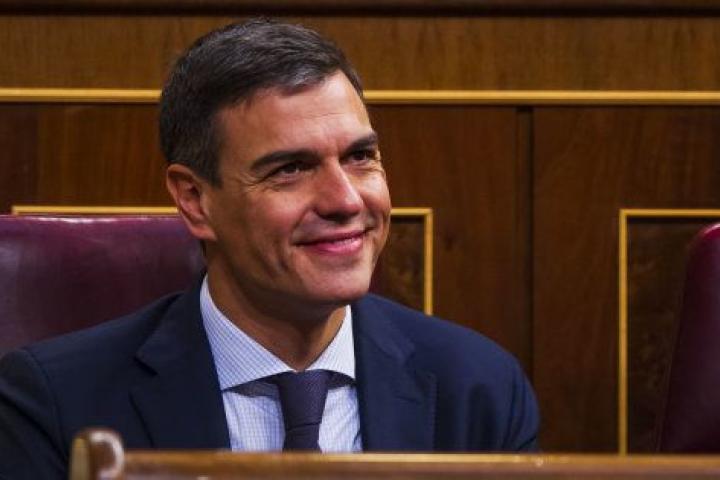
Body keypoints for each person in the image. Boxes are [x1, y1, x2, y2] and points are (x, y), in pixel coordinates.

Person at [0, 19, 539, 479]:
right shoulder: (54, 403)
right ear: (195, 200)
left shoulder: (479, 390)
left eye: (360, 157)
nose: (346, 200)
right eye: (291, 168)